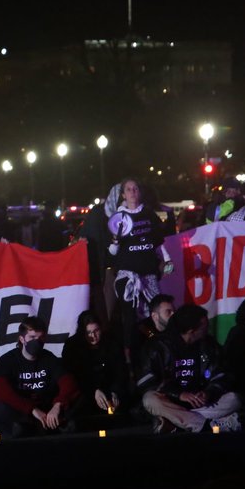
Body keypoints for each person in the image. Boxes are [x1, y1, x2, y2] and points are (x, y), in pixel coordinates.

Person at [137, 304, 240, 433]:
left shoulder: (208, 345)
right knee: (150, 399)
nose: (207, 329)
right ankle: (204, 426)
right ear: (192, 330)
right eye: (204, 327)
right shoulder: (157, 346)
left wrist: (209, 392)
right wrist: (179, 394)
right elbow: (146, 382)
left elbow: (222, 374)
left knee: (233, 399)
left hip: (199, 404)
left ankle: (176, 422)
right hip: (171, 402)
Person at [107, 178, 172, 358]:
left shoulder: (149, 214)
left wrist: (167, 260)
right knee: (129, 316)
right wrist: (116, 240)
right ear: (123, 195)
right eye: (129, 189)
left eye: (135, 189)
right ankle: (129, 356)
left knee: (156, 314)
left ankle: (157, 349)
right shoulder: (118, 218)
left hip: (149, 274)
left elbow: (159, 242)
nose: (133, 192)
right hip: (128, 276)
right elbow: (112, 251)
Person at [0, 316, 78, 437]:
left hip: (46, 407)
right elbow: (1, 391)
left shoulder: (49, 358)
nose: (37, 342)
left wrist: (58, 404)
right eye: (32, 337)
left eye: (40, 337)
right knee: (1, 409)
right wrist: (31, 409)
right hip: (22, 409)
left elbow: (68, 382)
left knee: (76, 401)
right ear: (22, 339)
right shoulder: (7, 360)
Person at [61, 311, 127, 424]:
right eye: (88, 333)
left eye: (96, 331)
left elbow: (120, 370)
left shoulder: (112, 343)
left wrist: (115, 391)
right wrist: (94, 390)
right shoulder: (72, 346)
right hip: (83, 391)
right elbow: (74, 375)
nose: (93, 336)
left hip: (109, 389)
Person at [131, 294, 175, 370]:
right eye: (168, 312)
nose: (173, 314)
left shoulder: (175, 329)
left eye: (174, 311)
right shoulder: (143, 330)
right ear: (155, 316)